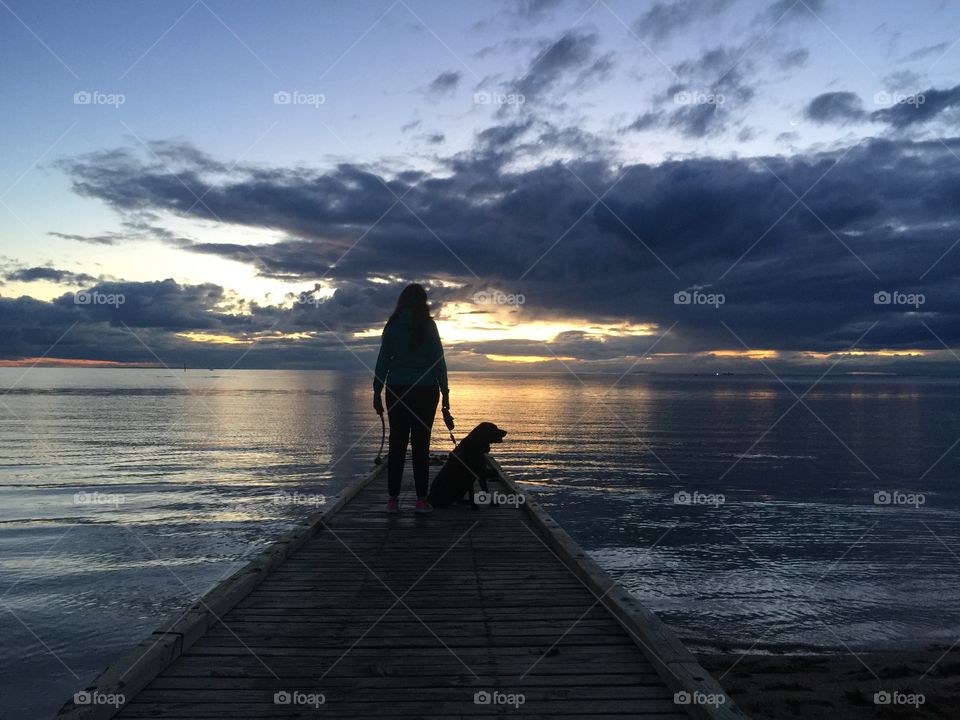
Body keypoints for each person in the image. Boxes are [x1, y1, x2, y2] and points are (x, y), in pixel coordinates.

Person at [373, 283, 450, 514]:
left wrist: (377, 391)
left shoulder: (393, 326)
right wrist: (445, 393)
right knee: (421, 446)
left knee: (397, 444)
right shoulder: (429, 326)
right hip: (426, 391)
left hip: (396, 389)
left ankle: (393, 501)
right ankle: (421, 500)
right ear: (423, 302)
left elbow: (383, 360)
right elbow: (439, 361)